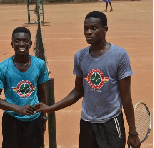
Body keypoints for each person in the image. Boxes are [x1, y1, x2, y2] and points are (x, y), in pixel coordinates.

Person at [35, 11, 141, 148]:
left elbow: (126, 96)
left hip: (111, 124)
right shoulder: (80, 56)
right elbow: (78, 91)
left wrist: (133, 132)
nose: (88, 32)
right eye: (86, 28)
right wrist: (50, 108)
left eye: (93, 28)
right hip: (87, 123)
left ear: (105, 29)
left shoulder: (120, 55)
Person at [0, 27, 49, 148]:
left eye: (25, 41)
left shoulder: (40, 64)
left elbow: (42, 91)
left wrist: (43, 116)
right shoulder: (2, 67)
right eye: (17, 41)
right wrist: (18, 109)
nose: (21, 44)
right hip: (11, 120)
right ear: (12, 44)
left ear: (31, 43)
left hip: (34, 120)